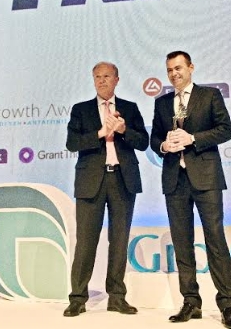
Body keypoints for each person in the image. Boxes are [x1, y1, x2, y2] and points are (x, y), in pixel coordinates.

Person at [150, 51, 231, 328]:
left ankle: (227, 305)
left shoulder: (210, 95)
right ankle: (191, 301)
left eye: (178, 68)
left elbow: (225, 130)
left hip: (206, 178)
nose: (174, 73)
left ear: (191, 67)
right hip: (174, 180)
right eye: (169, 70)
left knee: (216, 240)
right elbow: (155, 138)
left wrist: (192, 138)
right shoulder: (162, 103)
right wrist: (164, 145)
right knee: (182, 242)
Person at [63, 61, 149, 317]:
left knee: (119, 240)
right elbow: (72, 143)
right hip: (91, 182)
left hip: (122, 179)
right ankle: (78, 298)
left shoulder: (130, 108)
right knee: (86, 241)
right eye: (97, 76)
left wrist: (123, 129)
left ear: (116, 80)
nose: (101, 80)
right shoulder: (81, 110)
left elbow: (143, 142)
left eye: (107, 76)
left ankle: (117, 297)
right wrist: (101, 133)